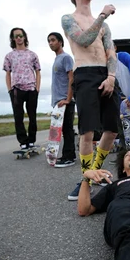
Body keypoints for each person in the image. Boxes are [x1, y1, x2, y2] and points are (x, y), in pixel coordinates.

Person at [61, 0, 119, 200]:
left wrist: (112, 77)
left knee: (112, 130)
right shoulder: (69, 19)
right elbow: (84, 40)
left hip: (106, 75)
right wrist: (102, 15)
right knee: (87, 133)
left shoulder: (104, 26)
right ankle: (86, 180)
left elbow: (110, 53)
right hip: (84, 74)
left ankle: (95, 172)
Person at [3, 28, 41, 149]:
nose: (19, 38)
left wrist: (37, 88)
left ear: (24, 37)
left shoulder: (32, 55)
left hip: (31, 89)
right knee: (18, 117)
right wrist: (10, 90)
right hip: (16, 90)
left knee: (32, 117)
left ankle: (31, 140)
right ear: (13, 39)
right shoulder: (9, 56)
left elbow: (38, 72)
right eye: (16, 36)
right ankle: (23, 142)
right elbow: (8, 73)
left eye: (20, 35)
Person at [47, 32, 76, 167]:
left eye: (53, 40)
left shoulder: (66, 58)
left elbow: (72, 78)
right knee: (62, 130)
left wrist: (68, 99)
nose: (50, 43)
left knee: (67, 129)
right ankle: (66, 155)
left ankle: (69, 157)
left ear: (60, 41)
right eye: (49, 41)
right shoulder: (56, 59)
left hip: (65, 100)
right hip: (58, 102)